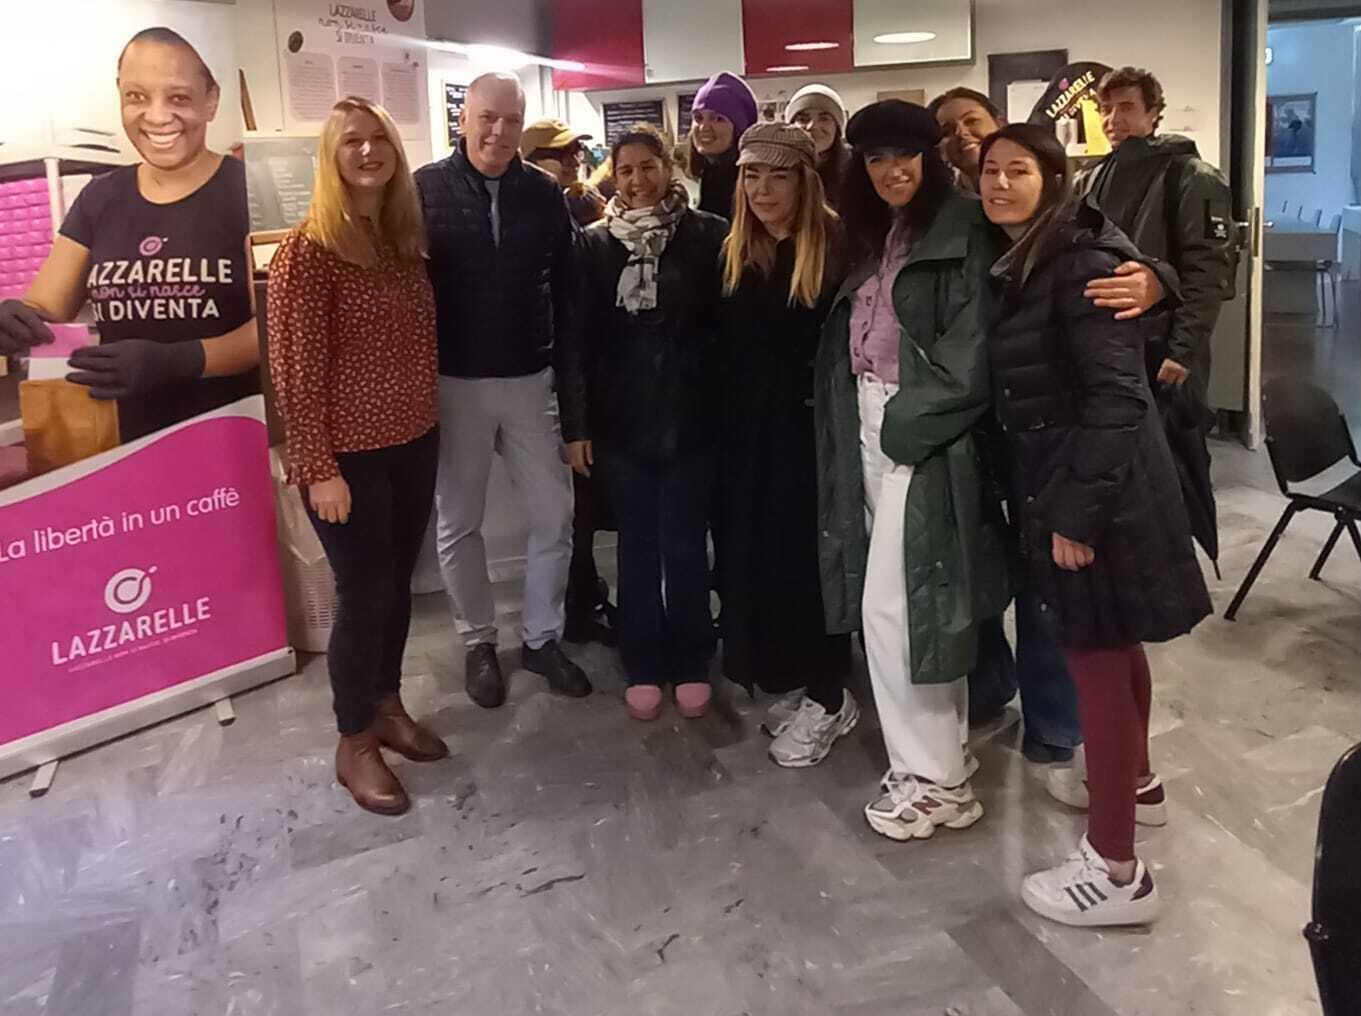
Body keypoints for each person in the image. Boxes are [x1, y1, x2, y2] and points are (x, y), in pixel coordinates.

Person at [979, 123, 1212, 926]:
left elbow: (1115, 397)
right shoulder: (1042, 252)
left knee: (1095, 661)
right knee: (1115, 643)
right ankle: (1137, 786)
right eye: (989, 171)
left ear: (1053, 180)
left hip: (1095, 490)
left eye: (1017, 170)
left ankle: (1115, 870)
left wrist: (1074, 516)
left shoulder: (1077, 263)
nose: (999, 183)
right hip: (1100, 482)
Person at [929, 83, 1171, 758]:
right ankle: (998, 695)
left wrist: (1156, 280)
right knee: (1003, 581)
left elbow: (1110, 263)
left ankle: (1059, 727)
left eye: (972, 123)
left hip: (1058, 452)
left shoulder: (1066, 236)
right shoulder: (957, 215)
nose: (963, 138)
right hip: (996, 440)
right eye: (948, 130)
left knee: (1057, 600)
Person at [815, 100, 1012, 841]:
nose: (890, 170)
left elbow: (972, 351)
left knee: (897, 610)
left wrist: (907, 427)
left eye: (904, 155)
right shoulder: (879, 230)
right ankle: (937, 758)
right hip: (875, 421)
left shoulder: (966, 224)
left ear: (931, 156)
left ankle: (936, 784)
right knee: (910, 602)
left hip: (921, 430)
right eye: (875, 159)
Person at [267, 97, 442, 816]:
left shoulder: (401, 241)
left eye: (379, 140)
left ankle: (385, 702)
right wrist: (319, 469)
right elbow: (295, 372)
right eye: (352, 142)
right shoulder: (308, 252)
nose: (368, 152)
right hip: (349, 459)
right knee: (362, 593)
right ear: (331, 158)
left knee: (396, 586)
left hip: (414, 439)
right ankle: (353, 740)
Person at [415, 72, 590, 709]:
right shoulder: (423, 190)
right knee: (459, 522)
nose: (498, 131)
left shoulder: (543, 194)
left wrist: (575, 404)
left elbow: (568, 298)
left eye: (511, 120)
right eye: (487, 117)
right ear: (463, 117)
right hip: (455, 380)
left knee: (554, 515)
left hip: (529, 378)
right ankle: (479, 641)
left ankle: (542, 638)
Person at [0, 27, 259, 441]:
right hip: (121, 439)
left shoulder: (251, 190)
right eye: (136, 96)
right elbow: (46, 309)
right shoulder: (100, 197)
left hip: (229, 435)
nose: (156, 117)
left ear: (211, 101)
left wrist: (180, 360)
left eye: (178, 98)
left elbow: (278, 326)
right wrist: (15, 321)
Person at [558, 123, 728, 722]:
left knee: (685, 544)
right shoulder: (592, 246)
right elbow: (574, 342)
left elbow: (725, 332)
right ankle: (643, 661)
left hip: (693, 415)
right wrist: (576, 427)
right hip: (620, 421)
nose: (637, 180)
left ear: (668, 167)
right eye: (625, 170)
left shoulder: (710, 235)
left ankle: (692, 657)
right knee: (635, 547)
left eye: (648, 166)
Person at [717, 122, 856, 766]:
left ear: (805, 181)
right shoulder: (738, 251)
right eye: (752, 175)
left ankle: (830, 694)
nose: (763, 189)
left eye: (778, 176)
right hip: (752, 436)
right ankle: (810, 686)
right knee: (770, 565)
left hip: (815, 436)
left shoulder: (837, 248)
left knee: (816, 568)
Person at [1080, 66, 1234, 405]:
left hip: (1163, 345)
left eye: (1126, 107)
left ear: (1153, 113)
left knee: (1173, 433)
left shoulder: (1192, 177)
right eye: (1106, 109)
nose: (1113, 119)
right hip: (1105, 346)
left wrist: (1182, 351)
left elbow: (1208, 274)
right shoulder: (1090, 178)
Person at [521, 119, 617, 646]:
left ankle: (586, 595)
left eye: (576, 151)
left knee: (584, 502)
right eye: (559, 153)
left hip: (591, 374)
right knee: (567, 508)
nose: (573, 160)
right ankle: (575, 608)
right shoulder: (531, 215)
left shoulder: (584, 207)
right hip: (548, 378)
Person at [687, 72, 759, 219]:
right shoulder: (708, 171)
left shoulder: (754, 180)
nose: (704, 127)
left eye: (717, 118)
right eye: (698, 118)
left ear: (739, 129)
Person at [785, 84, 852, 210]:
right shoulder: (777, 170)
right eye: (803, 119)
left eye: (824, 119)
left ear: (837, 128)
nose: (812, 126)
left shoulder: (856, 172)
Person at [927, 87, 1005, 195]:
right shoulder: (943, 203)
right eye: (947, 131)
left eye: (972, 121)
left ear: (1001, 124)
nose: (961, 133)